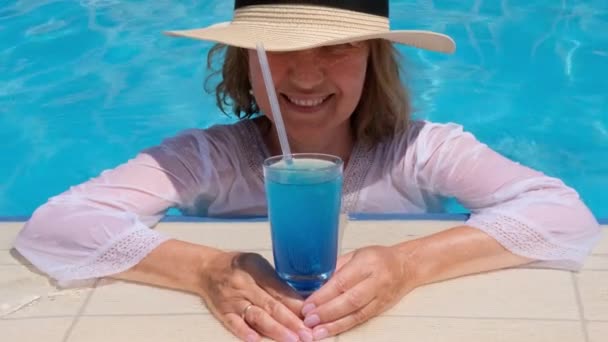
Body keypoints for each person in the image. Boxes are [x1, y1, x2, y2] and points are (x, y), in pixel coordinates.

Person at [13, 1, 601, 342]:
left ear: (375, 59)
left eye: (337, 47)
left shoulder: (420, 150)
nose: (306, 76)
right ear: (247, 64)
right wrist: (207, 269)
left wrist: (409, 264)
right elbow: (54, 224)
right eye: (280, 50)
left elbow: (565, 214)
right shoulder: (208, 158)